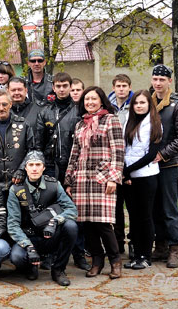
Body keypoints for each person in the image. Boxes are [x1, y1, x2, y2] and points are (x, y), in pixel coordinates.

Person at [64, 86, 124, 280]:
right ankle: (97, 261)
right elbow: (74, 154)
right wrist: (69, 180)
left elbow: (118, 151)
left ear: (101, 101)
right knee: (87, 224)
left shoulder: (110, 120)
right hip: (82, 179)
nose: (90, 102)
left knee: (104, 224)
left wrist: (114, 177)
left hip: (102, 178)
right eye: (87, 99)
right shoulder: (80, 124)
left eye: (93, 99)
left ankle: (115, 261)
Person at [32, 72, 87, 271]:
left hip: (74, 167)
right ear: (53, 88)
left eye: (65, 85)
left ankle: (79, 253)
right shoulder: (45, 112)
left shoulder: (79, 110)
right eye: (59, 86)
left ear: (71, 87)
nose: (62, 89)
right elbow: (38, 143)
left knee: (76, 211)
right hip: (51, 167)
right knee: (51, 210)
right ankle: (50, 253)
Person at [7, 151, 78, 286]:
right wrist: (28, 246)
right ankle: (30, 266)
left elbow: (72, 210)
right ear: (25, 168)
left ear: (44, 167)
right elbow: (12, 224)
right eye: (31, 165)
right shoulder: (15, 190)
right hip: (28, 237)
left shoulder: (54, 185)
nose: (34, 168)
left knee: (71, 226)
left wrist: (55, 221)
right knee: (17, 257)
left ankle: (58, 270)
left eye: (38, 165)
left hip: (50, 236)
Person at [150, 64, 178, 268]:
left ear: (169, 81)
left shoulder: (177, 105)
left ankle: (174, 248)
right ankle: (160, 246)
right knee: (154, 208)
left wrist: (163, 154)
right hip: (149, 165)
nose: (158, 83)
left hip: (168, 164)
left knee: (169, 209)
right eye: (155, 79)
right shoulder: (147, 101)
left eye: (162, 80)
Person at [122, 90, 162, 270]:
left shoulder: (155, 124)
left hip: (146, 176)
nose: (139, 106)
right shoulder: (128, 122)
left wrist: (128, 170)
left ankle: (146, 256)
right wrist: (125, 172)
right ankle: (136, 255)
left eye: (142, 103)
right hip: (129, 177)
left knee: (145, 216)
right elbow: (124, 149)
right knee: (134, 217)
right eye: (136, 103)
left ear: (149, 105)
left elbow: (151, 154)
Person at [108, 73, 133, 255]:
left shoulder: (136, 104)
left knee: (132, 206)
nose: (121, 89)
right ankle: (117, 241)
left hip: (131, 160)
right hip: (113, 161)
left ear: (129, 87)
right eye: (118, 86)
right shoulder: (108, 106)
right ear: (113, 88)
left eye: (124, 86)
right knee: (115, 206)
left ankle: (133, 241)